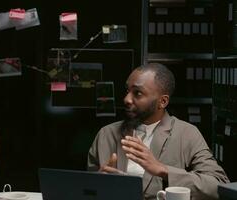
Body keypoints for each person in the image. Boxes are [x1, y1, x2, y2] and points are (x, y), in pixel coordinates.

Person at [87, 63, 229, 200]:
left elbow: (218, 185)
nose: (127, 99)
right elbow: (86, 190)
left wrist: (163, 170)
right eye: (127, 91)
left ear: (163, 101)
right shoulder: (106, 134)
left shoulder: (186, 133)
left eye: (137, 93)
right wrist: (99, 184)